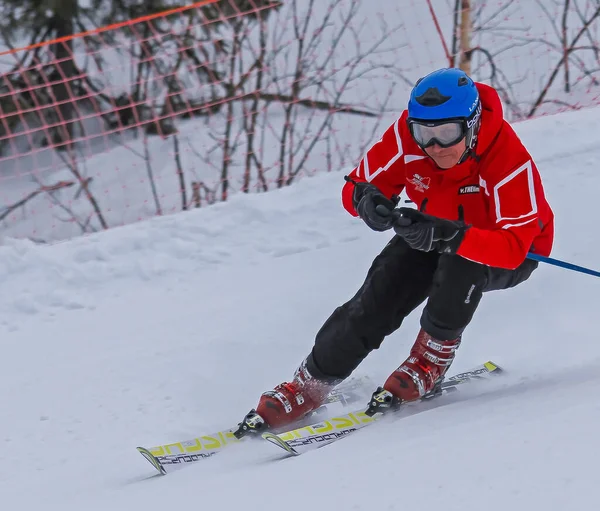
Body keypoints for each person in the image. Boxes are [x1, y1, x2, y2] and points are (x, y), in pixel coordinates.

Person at [242, 67, 554, 431]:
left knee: (460, 266)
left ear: (472, 125)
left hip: (507, 248)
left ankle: (429, 360)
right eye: (425, 133)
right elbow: (358, 184)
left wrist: (450, 236)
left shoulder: (507, 158)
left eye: (448, 133)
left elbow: (514, 247)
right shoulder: (408, 138)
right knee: (381, 292)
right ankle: (309, 383)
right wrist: (366, 201)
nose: (435, 146)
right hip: (431, 230)